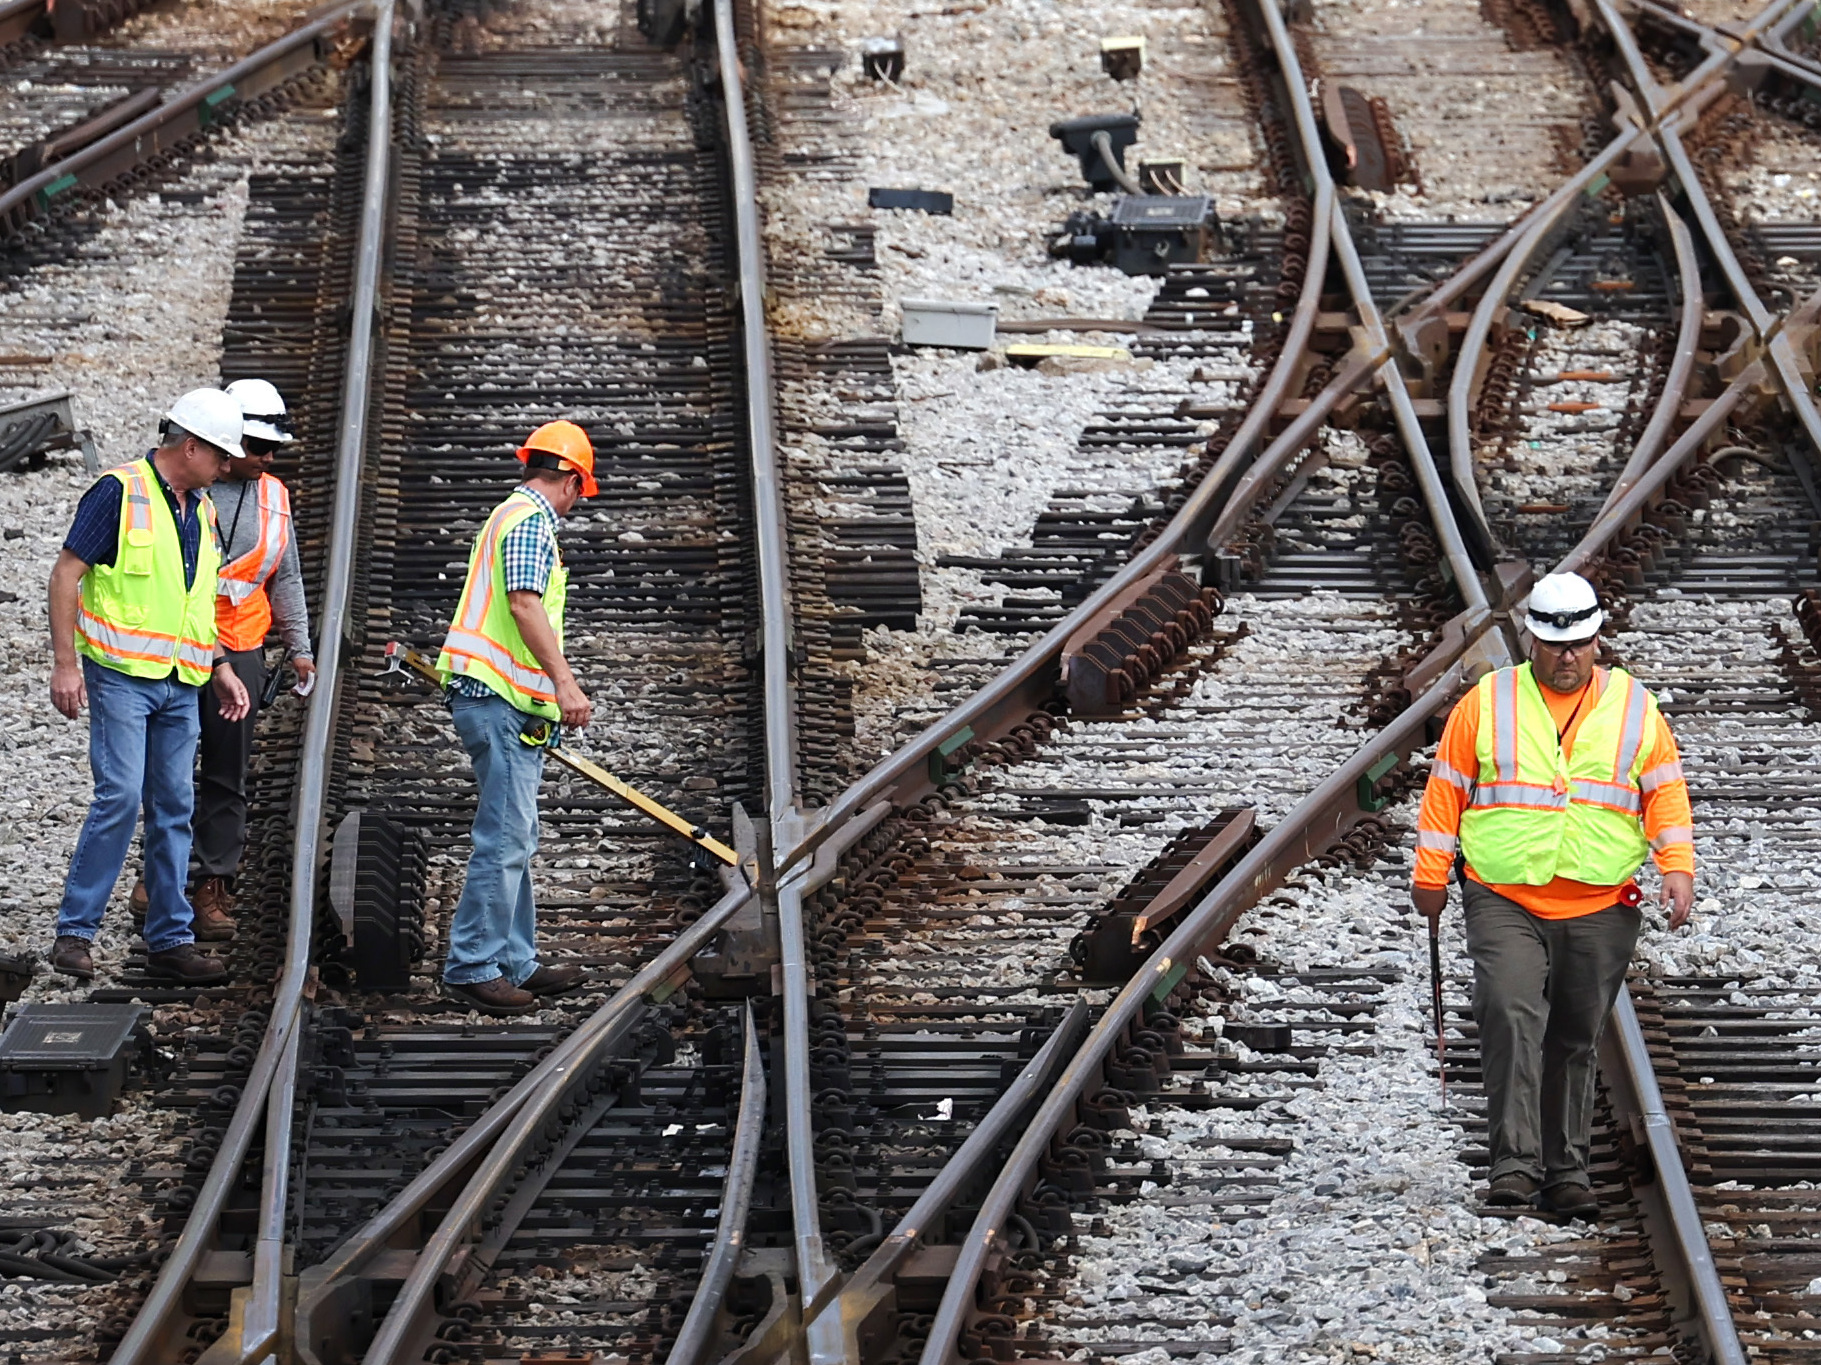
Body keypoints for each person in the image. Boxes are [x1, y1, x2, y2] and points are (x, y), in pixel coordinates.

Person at [1412, 571, 1695, 1218]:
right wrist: (1429, 876)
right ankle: (1512, 1164)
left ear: (1597, 638)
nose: (1564, 655)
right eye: (1550, 643)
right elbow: (1445, 792)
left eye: (1577, 643)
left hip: (1598, 902)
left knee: (1571, 1036)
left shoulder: (1633, 708)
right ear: (1530, 640)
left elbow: (1664, 791)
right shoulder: (1485, 702)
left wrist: (1675, 864)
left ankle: (1565, 1172)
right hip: (1502, 892)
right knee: (1508, 1010)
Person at [46, 390, 254, 984]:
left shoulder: (203, 509)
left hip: (181, 682)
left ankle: (170, 937)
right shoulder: (119, 491)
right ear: (190, 447)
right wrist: (66, 665)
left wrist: (219, 666)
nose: (225, 467)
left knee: (173, 808)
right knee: (118, 797)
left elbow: (193, 602)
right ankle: (75, 932)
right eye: (220, 456)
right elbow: (66, 574)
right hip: (121, 678)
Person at [127, 379, 317, 938]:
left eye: (271, 449)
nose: (267, 458)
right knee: (167, 768)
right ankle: (160, 877)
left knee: (226, 771)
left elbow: (287, 575)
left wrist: (300, 648)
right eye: (258, 447)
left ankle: (213, 882)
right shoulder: (186, 489)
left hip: (241, 644)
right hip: (180, 643)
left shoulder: (274, 497)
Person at [434, 421, 597, 1015]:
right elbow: (523, 603)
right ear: (572, 482)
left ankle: (513, 959)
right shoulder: (530, 521)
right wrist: (564, 680)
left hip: (502, 700)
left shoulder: (508, 515)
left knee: (516, 835)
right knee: (504, 837)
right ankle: (473, 964)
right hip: (496, 698)